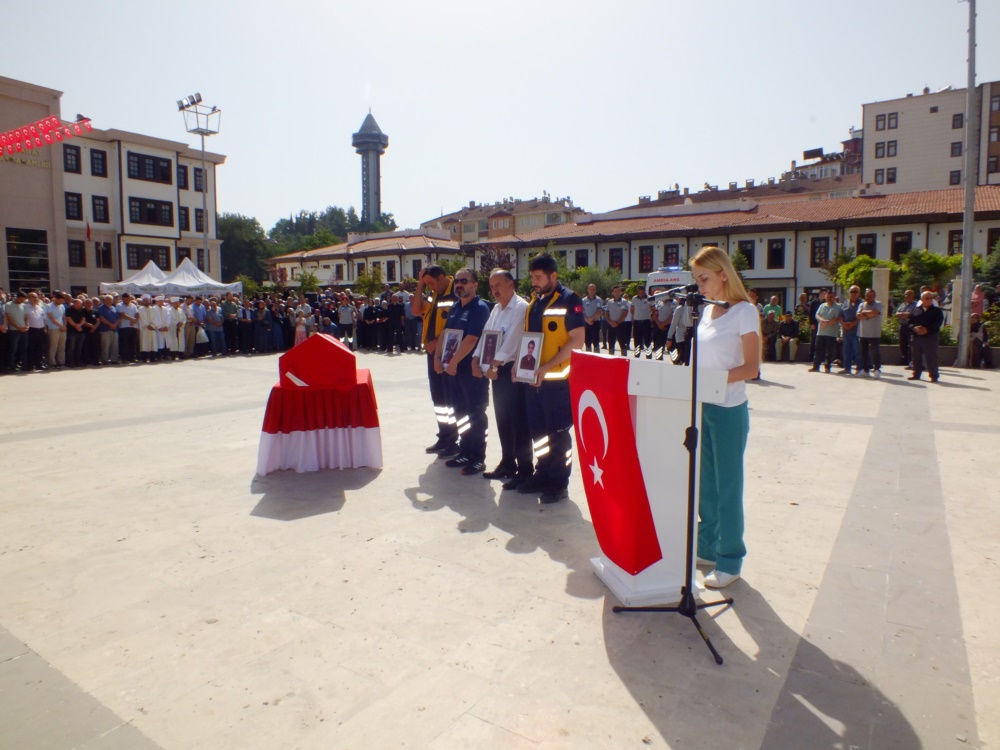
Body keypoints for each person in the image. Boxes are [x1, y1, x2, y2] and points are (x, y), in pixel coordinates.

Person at [689, 246, 759, 589]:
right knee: (707, 485)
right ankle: (707, 547)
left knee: (728, 487)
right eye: (696, 280)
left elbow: (751, 367)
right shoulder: (707, 313)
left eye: (704, 279)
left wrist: (712, 381)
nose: (700, 286)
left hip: (730, 410)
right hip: (703, 405)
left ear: (723, 274)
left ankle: (731, 559)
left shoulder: (745, 312)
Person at [519, 253, 585, 503]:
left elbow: (577, 341)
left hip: (558, 382)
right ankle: (542, 473)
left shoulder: (570, 300)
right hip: (534, 381)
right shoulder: (534, 303)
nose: (534, 282)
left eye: (538, 277)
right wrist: (520, 365)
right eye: (532, 277)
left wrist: (547, 366)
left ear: (553, 276)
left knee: (558, 435)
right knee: (538, 433)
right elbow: (529, 341)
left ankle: (559, 483)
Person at [472, 268, 532, 485]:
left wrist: (494, 366)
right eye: (492, 286)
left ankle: (525, 470)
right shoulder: (496, 309)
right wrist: (476, 358)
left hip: (512, 371)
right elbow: (486, 335)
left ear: (511, 284)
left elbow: (513, 340)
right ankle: (508, 464)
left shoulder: (521, 307)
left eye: (498, 285)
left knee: (519, 421)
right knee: (503, 420)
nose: (495, 290)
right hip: (495, 371)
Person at [436, 268, 491, 475]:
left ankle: (478, 457)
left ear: (475, 285)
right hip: (454, 371)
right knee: (460, 413)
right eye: (457, 281)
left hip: (471, 372)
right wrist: (437, 357)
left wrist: (453, 361)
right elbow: (445, 333)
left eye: (464, 281)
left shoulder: (480, 308)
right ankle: (465, 451)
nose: (459, 284)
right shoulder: (456, 307)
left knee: (476, 414)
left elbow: (472, 339)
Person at [412, 265, 459, 456]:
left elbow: (455, 326)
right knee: (438, 398)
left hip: (449, 354)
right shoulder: (433, 294)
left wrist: (437, 343)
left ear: (442, 277)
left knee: (451, 399)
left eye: (431, 283)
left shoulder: (456, 293)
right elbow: (416, 310)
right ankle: (444, 436)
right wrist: (419, 285)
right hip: (432, 354)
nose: (430, 287)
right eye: (427, 284)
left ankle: (454, 440)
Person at [908, 290, 944, 382]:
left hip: (930, 337)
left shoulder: (936, 311)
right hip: (917, 337)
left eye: (931, 298)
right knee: (916, 357)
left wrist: (926, 330)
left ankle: (934, 375)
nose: (929, 300)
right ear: (922, 299)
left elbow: (937, 324)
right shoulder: (916, 310)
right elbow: (910, 323)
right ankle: (916, 374)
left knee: (931, 357)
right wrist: (915, 328)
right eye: (927, 298)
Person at [809, 291, 841, 373]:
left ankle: (827, 367)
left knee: (829, 352)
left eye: (831, 297)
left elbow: (837, 318)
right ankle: (816, 366)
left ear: (834, 297)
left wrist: (827, 323)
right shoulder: (822, 305)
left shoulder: (838, 307)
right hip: (820, 332)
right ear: (825, 298)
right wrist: (822, 321)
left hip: (831, 333)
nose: (829, 299)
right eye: (827, 297)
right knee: (818, 350)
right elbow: (817, 315)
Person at [857, 288, 883, 378]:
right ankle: (865, 370)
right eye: (866, 295)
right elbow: (858, 315)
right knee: (863, 352)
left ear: (874, 297)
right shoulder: (861, 304)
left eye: (870, 296)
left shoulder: (878, 304)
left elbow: (875, 313)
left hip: (874, 333)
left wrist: (864, 313)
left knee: (875, 352)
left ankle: (877, 369)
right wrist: (867, 314)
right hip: (863, 333)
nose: (867, 297)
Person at [838, 286, 862, 375]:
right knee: (846, 351)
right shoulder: (845, 303)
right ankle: (847, 368)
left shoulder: (862, 303)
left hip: (857, 331)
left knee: (857, 350)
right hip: (846, 331)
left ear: (859, 293)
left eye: (855, 291)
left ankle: (859, 368)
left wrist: (853, 323)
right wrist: (843, 324)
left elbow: (862, 316)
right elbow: (840, 315)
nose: (853, 293)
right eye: (851, 291)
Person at [4, 290, 29, 372]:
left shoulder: (24, 305)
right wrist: (19, 327)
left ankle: (24, 366)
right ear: (17, 297)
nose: (22, 301)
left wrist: (27, 325)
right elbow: (9, 318)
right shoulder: (8, 305)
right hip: (14, 331)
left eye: (24, 300)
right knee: (13, 349)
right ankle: (12, 367)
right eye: (21, 299)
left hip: (24, 330)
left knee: (24, 349)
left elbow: (26, 316)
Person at [895, 290, 918, 368]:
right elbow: (897, 313)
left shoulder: (915, 305)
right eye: (906, 295)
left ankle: (911, 361)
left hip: (910, 326)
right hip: (902, 326)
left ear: (913, 296)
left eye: (909, 295)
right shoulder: (902, 304)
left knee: (911, 344)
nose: (907, 296)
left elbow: (912, 315)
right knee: (902, 343)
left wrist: (903, 314)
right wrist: (904, 315)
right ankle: (904, 359)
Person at [44, 292, 67, 368]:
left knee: (61, 346)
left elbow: (64, 317)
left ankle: (61, 362)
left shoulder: (62, 306)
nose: (61, 302)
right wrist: (61, 326)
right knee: (53, 346)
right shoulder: (48, 306)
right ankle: (52, 362)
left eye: (62, 301)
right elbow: (52, 318)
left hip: (62, 328)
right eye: (60, 300)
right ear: (56, 299)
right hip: (53, 328)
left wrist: (64, 326)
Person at [604, 286, 629, 356]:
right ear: (613, 293)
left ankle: (624, 358)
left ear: (621, 292)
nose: (617, 293)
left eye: (618, 291)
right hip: (611, 325)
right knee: (611, 342)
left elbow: (625, 314)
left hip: (620, 325)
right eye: (615, 291)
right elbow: (606, 313)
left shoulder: (624, 301)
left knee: (622, 342)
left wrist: (617, 323)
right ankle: (611, 358)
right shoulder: (609, 302)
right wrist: (610, 322)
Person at [630, 286, 653, 358]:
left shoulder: (650, 298)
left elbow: (654, 310)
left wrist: (650, 317)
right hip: (637, 322)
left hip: (646, 322)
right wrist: (635, 316)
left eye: (642, 292)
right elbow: (632, 309)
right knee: (637, 341)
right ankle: (637, 356)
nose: (641, 294)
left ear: (644, 291)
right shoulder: (634, 298)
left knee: (647, 341)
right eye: (639, 292)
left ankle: (648, 356)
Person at [96, 294, 120, 365]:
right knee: (105, 345)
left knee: (114, 345)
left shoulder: (114, 308)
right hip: (105, 329)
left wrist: (115, 325)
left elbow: (118, 318)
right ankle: (105, 360)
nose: (109, 301)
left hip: (114, 329)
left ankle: (114, 359)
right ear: (105, 300)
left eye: (111, 299)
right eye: (108, 299)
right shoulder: (101, 308)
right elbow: (101, 318)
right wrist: (110, 324)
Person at [116, 293, 139, 363]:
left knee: (133, 343)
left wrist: (135, 321)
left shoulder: (134, 305)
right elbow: (122, 314)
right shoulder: (119, 305)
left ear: (130, 298)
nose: (125, 300)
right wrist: (132, 319)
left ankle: (132, 357)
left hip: (133, 326)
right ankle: (125, 358)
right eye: (124, 299)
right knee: (124, 344)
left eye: (127, 299)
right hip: (123, 327)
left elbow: (137, 314)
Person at [65, 297, 87, 368]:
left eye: (81, 304)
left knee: (79, 347)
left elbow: (83, 319)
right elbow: (68, 318)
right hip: (71, 331)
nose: (80, 305)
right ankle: (70, 362)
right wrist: (75, 326)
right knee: (71, 347)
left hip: (80, 331)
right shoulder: (69, 309)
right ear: (75, 303)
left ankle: (78, 361)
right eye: (79, 304)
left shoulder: (82, 310)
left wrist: (79, 325)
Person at [581, 283, 604, 353]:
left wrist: (590, 319)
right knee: (587, 340)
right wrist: (587, 320)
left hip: (596, 322)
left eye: (593, 289)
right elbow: (581, 311)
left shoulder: (598, 300)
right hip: (586, 322)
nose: (592, 291)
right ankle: (588, 356)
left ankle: (597, 357)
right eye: (591, 289)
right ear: (587, 290)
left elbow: (599, 311)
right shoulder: (583, 300)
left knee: (596, 340)